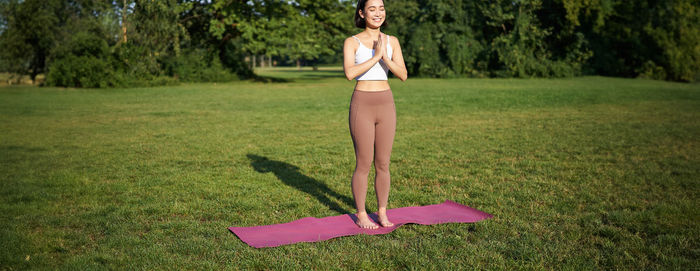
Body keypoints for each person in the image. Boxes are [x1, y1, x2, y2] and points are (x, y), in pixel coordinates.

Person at [343, 0, 407, 229]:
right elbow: (350, 73)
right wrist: (375, 56)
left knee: (383, 163)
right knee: (364, 162)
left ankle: (382, 212)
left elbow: (403, 74)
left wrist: (385, 57)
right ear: (362, 13)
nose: (378, 13)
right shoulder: (352, 42)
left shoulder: (393, 41)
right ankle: (361, 214)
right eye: (372, 9)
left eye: (381, 8)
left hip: (386, 104)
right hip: (362, 104)